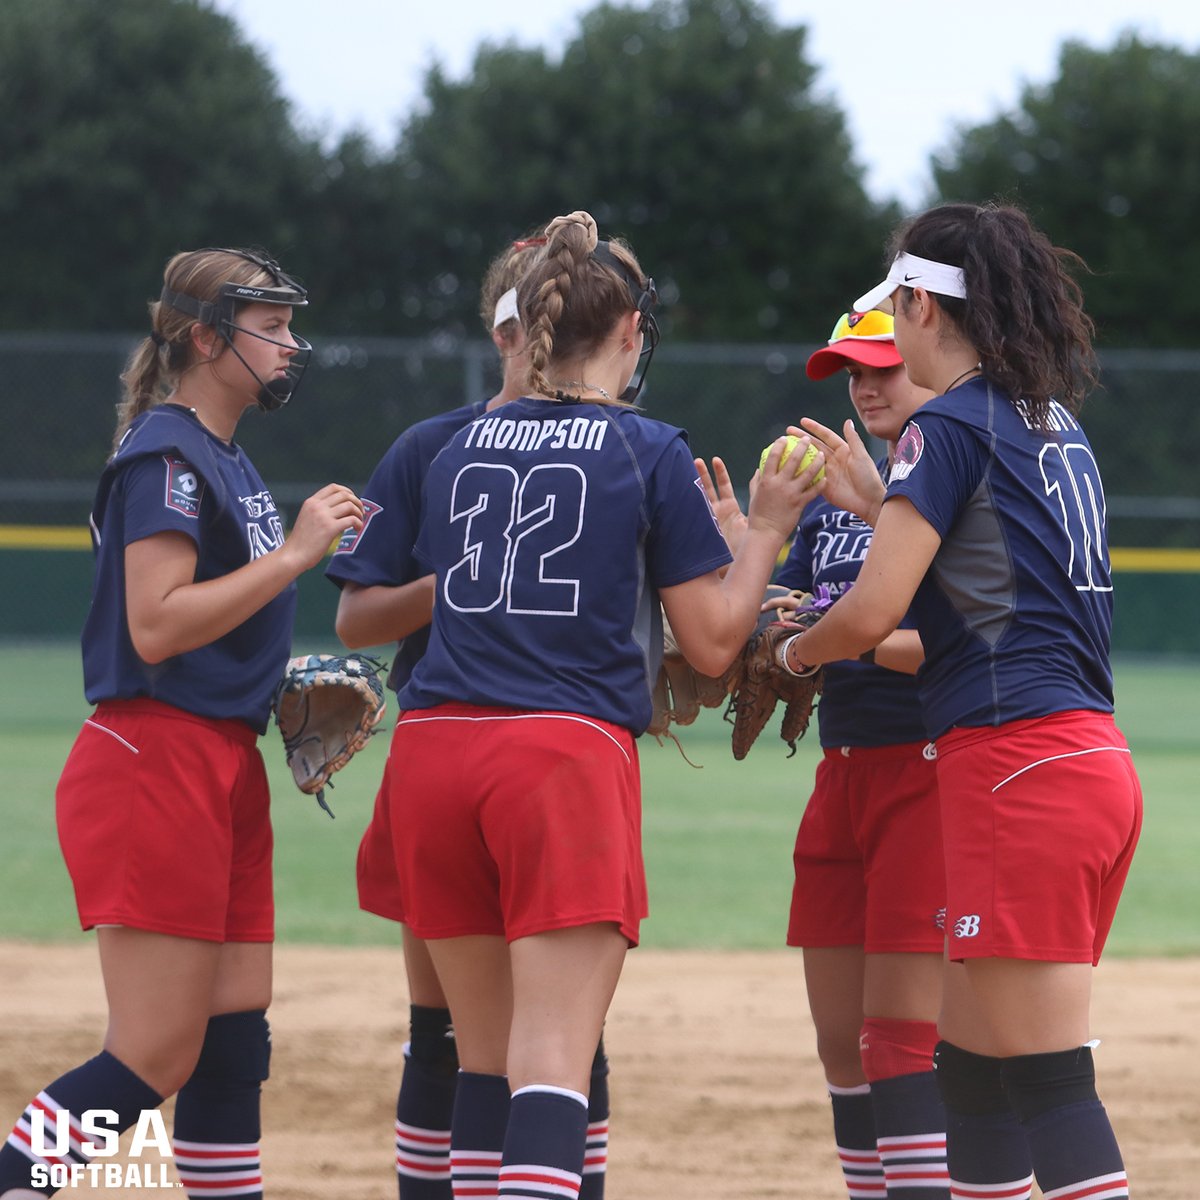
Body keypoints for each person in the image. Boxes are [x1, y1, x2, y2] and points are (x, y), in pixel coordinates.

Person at [363, 209, 811, 1199]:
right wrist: (767, 534)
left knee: (484, 1066)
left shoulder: (453, 444)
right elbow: (709, 643)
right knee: (555, 1067)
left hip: (433, 751)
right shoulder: (648, 449)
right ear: (627, 335)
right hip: (556, 759)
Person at [777, 202, 1143, 1200]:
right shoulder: (1048, 419)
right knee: (975, 1080)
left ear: (927, 309)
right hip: (1083, 764)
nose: (887, 324)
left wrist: (797, 651)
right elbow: (984, 604)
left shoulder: (942, 424)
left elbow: (872, 615)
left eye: (898, 301)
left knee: (1053, 1090)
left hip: (1015, 769)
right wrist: (875, 506)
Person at [0, 248, 364, 1200]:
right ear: (207, 339)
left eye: (289, 325)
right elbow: (154, 623)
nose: (290, 344)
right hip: (151, 763)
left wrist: (263, 682)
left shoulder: (224, 456)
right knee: (154, 1053)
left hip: (216, 759)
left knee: (233, 1035)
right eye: (269, 326)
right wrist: (293, 559)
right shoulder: (167, 453)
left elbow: (207, 624)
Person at [328, 229, 615, 1200]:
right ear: (502, 329)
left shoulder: (611, 443)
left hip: (550, 755)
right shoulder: (429, 447)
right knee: (444, 1031)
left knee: (570, 1038)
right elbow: (357, 613)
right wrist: (467, 584)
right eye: (510, 323)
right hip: (444, 751)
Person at [773, 309, 949, 1199]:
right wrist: (749, 557)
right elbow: (794, 622)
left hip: (930, 777)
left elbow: (970, 637)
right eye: (853, 373)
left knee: (901, 1041)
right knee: (842, 1043)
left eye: (885, 367)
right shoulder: (829, 509)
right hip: (842, 775)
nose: (868, 387)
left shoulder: (963, 479)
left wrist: (842, 638)